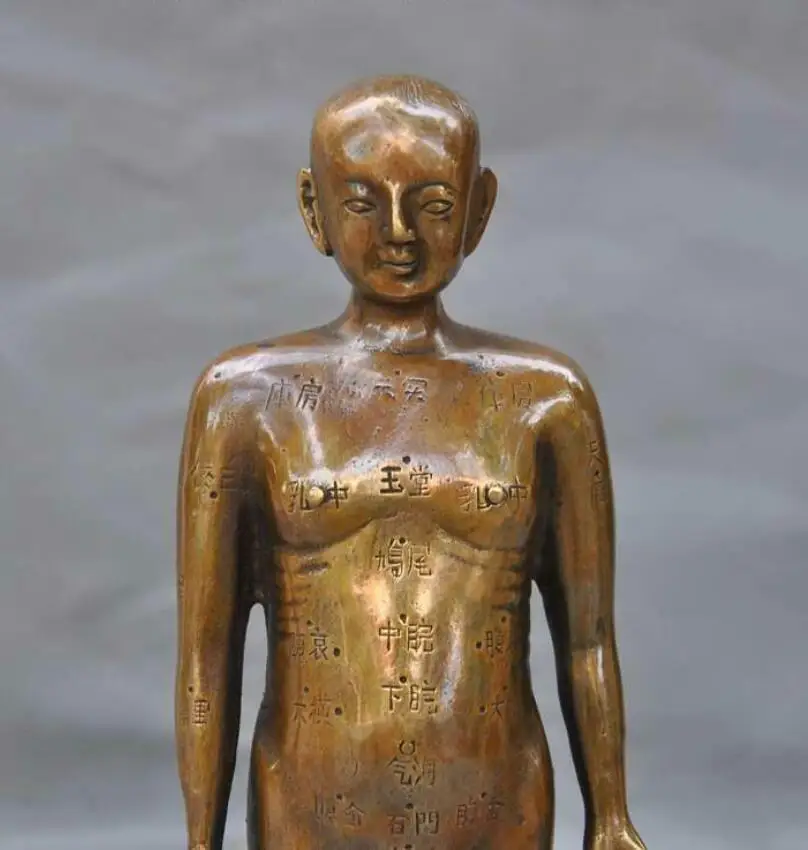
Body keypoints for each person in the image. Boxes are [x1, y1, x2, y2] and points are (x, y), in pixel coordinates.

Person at [175, 74, 647, 850]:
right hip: (307, 805)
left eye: (433, 203)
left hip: (496, 803)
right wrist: (201, 841)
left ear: (479, 208)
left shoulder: (545, 399)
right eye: (363, 201)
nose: (399, 233)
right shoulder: (246, 398)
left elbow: (589, 639)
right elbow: (206, 653)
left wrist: (612, 817)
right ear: (313, 208)